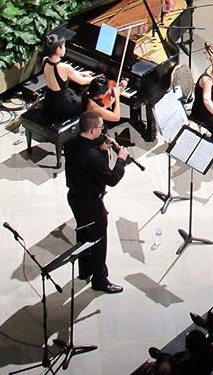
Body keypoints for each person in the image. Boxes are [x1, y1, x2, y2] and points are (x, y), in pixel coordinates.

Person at [64, 111, 130, 293]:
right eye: (101, 127)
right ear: (93, 130)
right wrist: (121, 159)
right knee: (99, 241)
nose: (103, 130)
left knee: (84, 234)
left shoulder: (71, 143)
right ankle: (100, 280)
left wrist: (101, 149)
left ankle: (84, 271)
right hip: (91, 203)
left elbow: (86, 163)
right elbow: (112, 179)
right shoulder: (91, 156)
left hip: (75, 197)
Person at [42, 34, 94, 120]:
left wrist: (81, 73)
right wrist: (95, 79)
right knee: (88, 104)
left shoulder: (45, 60)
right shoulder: (64, 67)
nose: (65, 49)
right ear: (58, 50)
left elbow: (64, 73)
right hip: (62, 105)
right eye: (64, 46)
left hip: (49, 100)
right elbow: (82, 81)